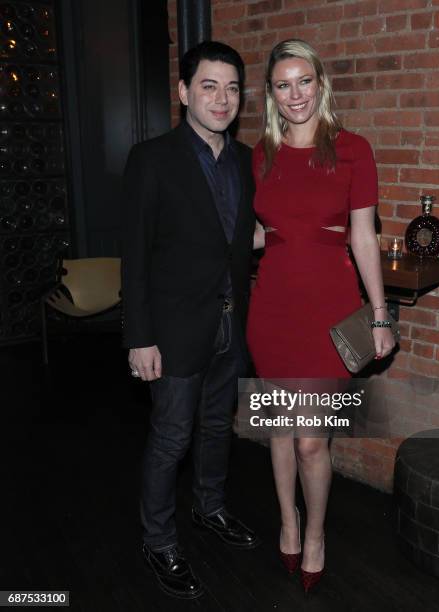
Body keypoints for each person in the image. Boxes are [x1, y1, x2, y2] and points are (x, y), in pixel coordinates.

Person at [247, 39, 395, 593]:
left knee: (311, 438)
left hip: (329, 307)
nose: (295, 94)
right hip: (272, 308)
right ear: (271, 93)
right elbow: (266, 231)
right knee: (279, 430)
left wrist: (379, 315)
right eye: (283, 85)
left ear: (320, 82)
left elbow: (363, 236)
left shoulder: (352, 149)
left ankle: (315, 535)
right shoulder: (259, 153)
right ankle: (286, 521)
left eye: (303, 80)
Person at [121, 41, 259, 600]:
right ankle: (158, 540)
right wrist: (140, 339)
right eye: (209, 85)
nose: (222, 98)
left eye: (231, 88)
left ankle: (210, 508)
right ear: (183, 92)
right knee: (172, 437)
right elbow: (134, 256)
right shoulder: (151, 159)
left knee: (216, 429)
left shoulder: (247, 160)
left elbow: (241, 237)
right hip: (174, 330)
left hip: (232, 325)